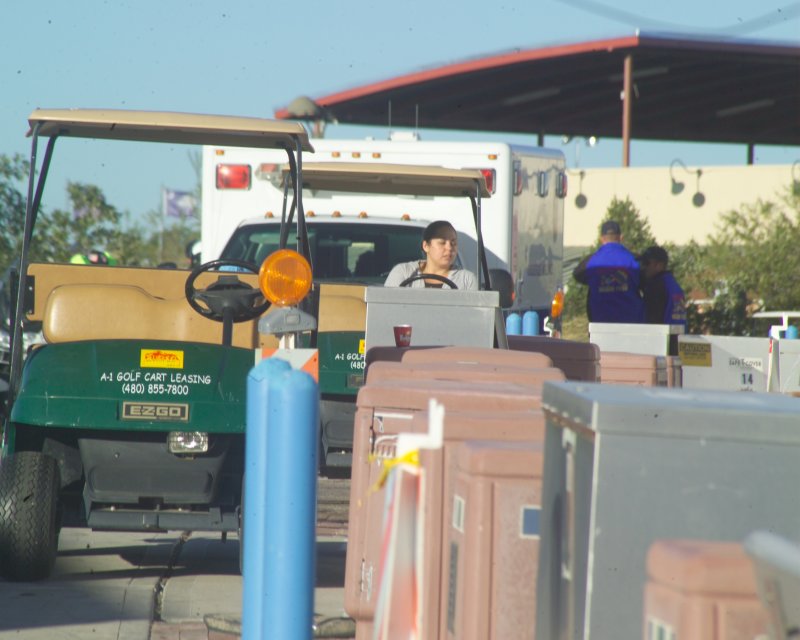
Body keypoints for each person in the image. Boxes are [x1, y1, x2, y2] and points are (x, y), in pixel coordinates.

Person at [572, 219, 644, 323]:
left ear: (601, 239)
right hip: (631, 323)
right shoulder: (635, 259)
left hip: (600, 323)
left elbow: (577, 275)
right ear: (621, 237)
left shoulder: (590, 262)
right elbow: (645, 281)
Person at [384, 220, 477, 290]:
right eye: (442, 242)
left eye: (453, 243)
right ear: (426, 246)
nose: (449, 248)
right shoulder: (403, 272)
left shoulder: (467, 279)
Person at [639, 245, 687, 329]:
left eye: (646, 263)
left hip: (663, 338)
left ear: (659, 265)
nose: (643, 267)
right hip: (678, 336)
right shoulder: (673, 284)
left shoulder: (656, 286)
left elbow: (652, 321)